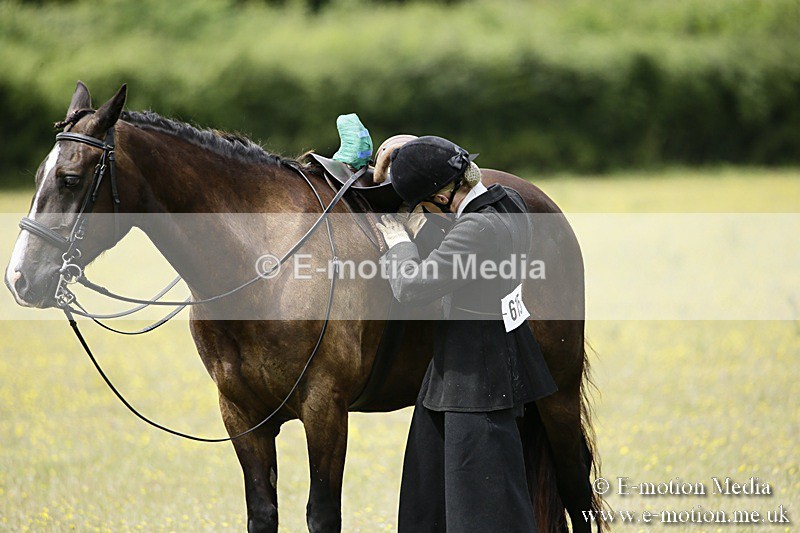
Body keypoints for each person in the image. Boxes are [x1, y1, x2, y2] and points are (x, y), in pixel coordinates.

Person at [375, 136, 558, 532]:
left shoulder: (478, 228)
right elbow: (463, 259)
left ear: (441, 198)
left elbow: (411, 287)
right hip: (475, 362)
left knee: (482, 507)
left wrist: (398, 244)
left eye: (424, 203)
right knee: (429, 494)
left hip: (473, 375)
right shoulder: (509, 200)